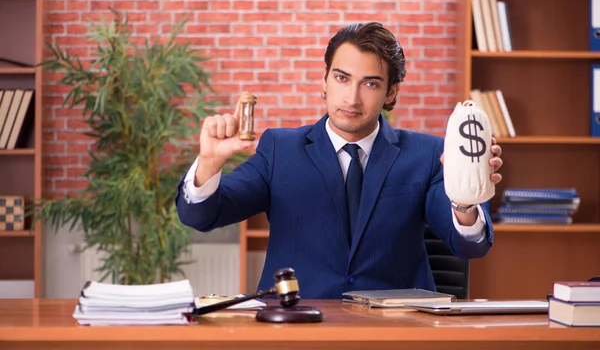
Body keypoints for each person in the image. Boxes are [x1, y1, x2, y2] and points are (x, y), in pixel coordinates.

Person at [176, 22, 503, 299]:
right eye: (342, 78)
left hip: (394, 334)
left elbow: (469, 247)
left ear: (391, 92)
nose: (352, 97)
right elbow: (201, 216)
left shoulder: (429, 154)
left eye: (371, 83)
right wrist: (209, 162)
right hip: (298, 329)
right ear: (325, 81)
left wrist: (464, 197)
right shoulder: (280, 149)